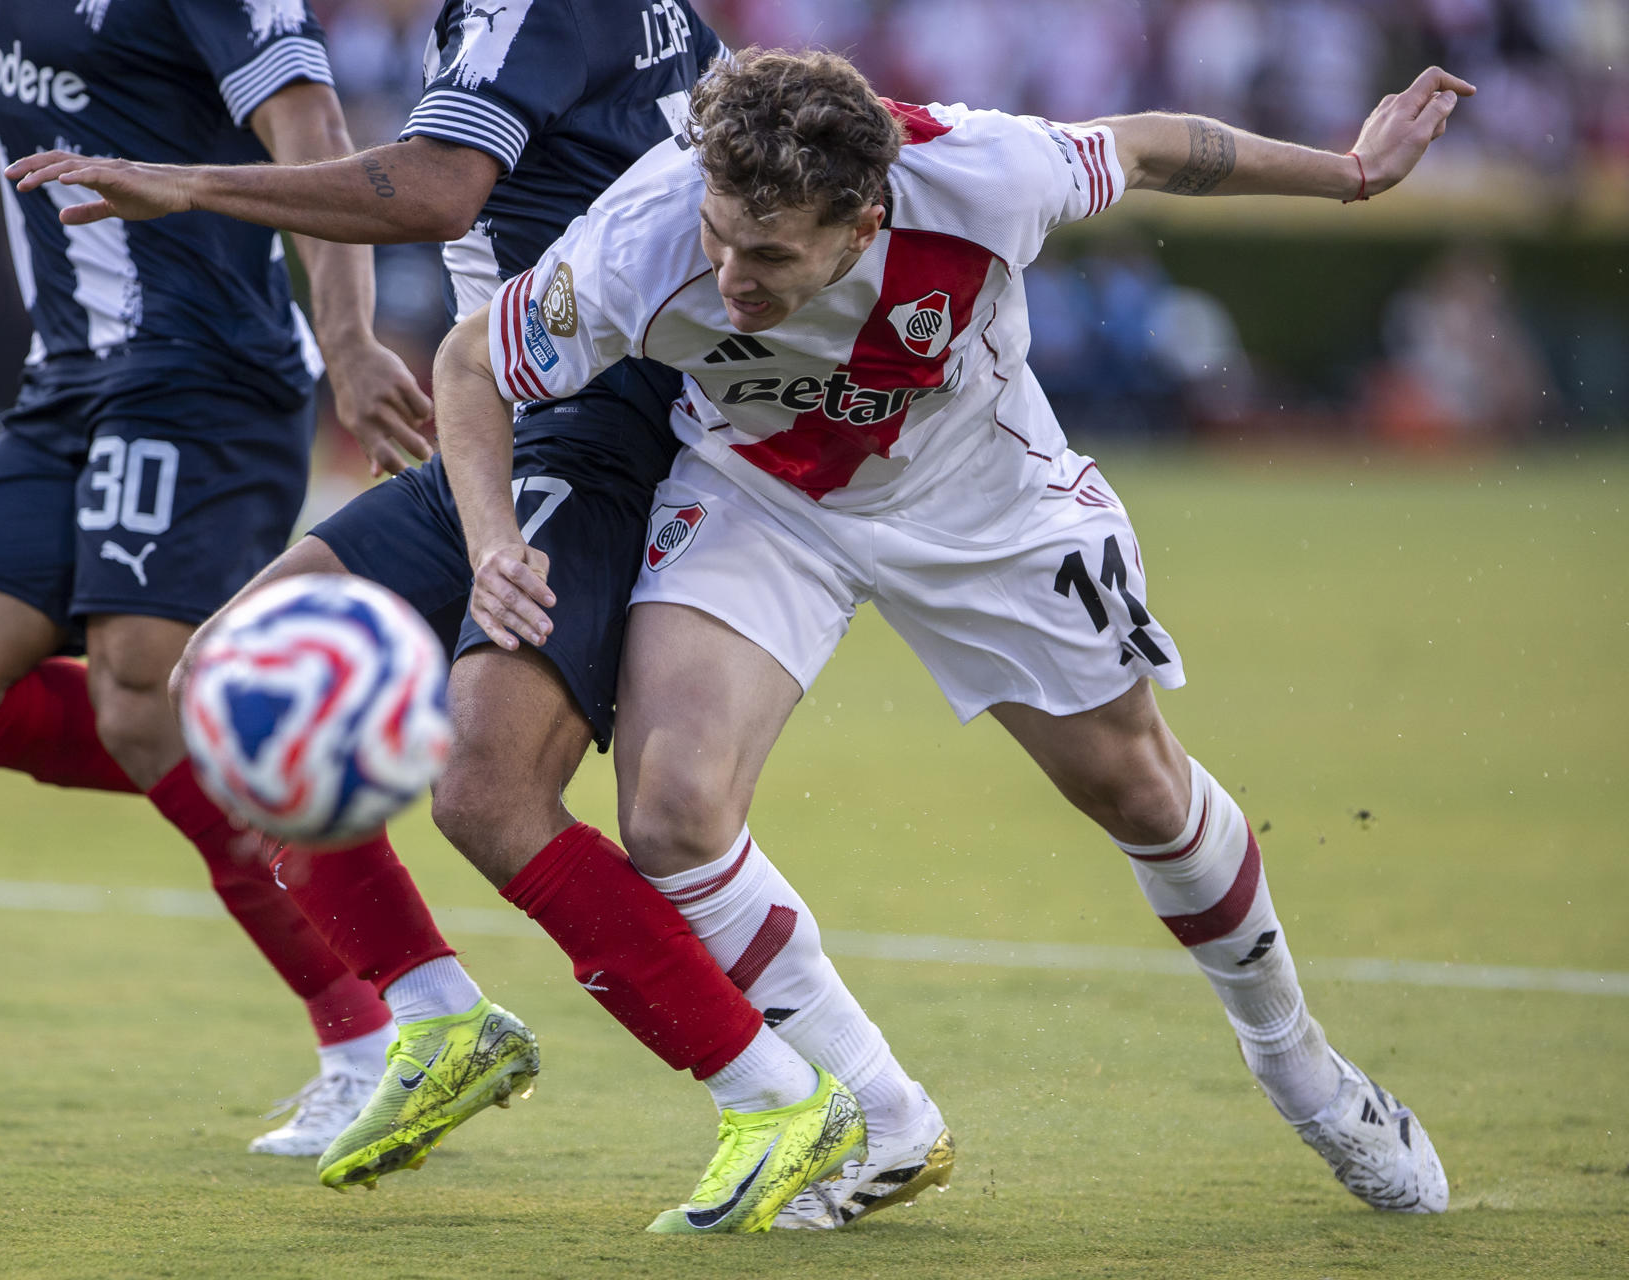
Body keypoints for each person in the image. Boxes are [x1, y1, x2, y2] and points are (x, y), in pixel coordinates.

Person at [438, 47, 1475, 1215]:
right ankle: (881, 1118)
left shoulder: (986, 172)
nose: (728, 273)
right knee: (672, 810)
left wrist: (1346, 172)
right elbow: (472, 359)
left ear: (864, 217)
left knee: (1140, 790)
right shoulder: (646, 231)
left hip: (985, 494)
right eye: (721, 235)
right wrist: (491, 539)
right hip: (761, 494)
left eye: (769, 254)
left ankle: (1305, 1072)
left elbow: (1145, 146)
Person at [5, 2, 946, 1234]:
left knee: (484, 786)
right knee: (221, 676)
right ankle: (439, 1016)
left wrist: (186, 186)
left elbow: (439, 189)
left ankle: (771, 1094)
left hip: (599, 421)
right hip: (508, 415)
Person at [0, 3, 438, 1156]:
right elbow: (82, 69)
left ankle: (378, 1025)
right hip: (68, 383)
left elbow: (310, 125)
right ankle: (298, 764)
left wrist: (348, 339)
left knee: (144, 686)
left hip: (205, 369)